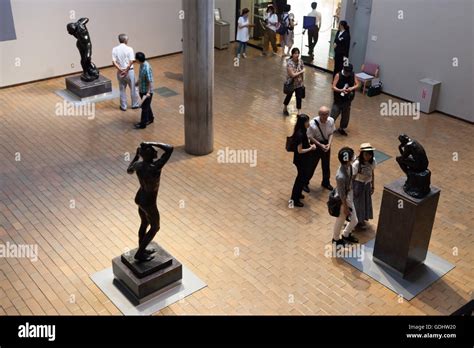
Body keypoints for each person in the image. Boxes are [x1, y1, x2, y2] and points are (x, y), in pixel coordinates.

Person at [127, 142, 174, 261]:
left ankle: (142, 248)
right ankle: (140, 253)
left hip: (140, 198)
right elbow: (169, 149)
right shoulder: (155, 167)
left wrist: (137, 156)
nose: (156, 152)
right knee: (155, 227)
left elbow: (129, 171)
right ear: (150, 155)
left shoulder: (138, 165)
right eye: (153, 150)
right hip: (149, 202)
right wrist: (151, 142)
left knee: (144, 223)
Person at [332, 147, 359, 246]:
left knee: (352, 220)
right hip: (343, 200)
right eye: (352, 156)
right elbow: (342, 194)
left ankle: (346, 234)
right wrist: (346, 207)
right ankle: (336, 239)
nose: (354, 157)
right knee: (341, 219)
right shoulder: (340, 176)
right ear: (347, 159)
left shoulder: (349, 167)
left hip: (349, 196)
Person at [305, 106, 335, 193]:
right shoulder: (312, 124)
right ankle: (305, 183)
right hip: (316, 145)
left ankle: (325, 182)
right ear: (319, 114)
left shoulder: (331, 121)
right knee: (311, 165)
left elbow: (331, 133)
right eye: (323, 114)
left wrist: (329, 144)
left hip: (326, 144)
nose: (325, 116)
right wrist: (320, 145)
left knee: (326, 165)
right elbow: (310, 136)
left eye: (326, 114)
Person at [290, 115, 317, 207]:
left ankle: (298, 194)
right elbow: (300, 150)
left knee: (302, 178)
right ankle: (294, 199)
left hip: (303, 160)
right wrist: (311, 148)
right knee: (300, 179)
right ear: (303, 123)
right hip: (301, 160)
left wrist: (309, 145)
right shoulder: (300, 134)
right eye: (307, 122)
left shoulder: (303, 131)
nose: (309, 123)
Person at [112, 34, 140, 111]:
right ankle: (135, 104)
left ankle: (123, 106)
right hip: (129, 72)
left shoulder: (114, 49)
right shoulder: (129, 49)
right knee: (133, 88)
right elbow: (131, 61)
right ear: (125, 40)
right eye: (127, 39)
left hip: (120, 72)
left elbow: (114, 62)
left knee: (122, 89)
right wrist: (126, 70)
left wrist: (121, 70)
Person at [352, 143, 376, 230]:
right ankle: (356, 223)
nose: (368, 156)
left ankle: (361, 220)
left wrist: (373, 186)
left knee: (365, 203)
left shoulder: (372, 161)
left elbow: (372, 173)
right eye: (366, 154)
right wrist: (351, 188)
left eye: (370, 154)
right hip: (358, 186)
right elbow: (352, 177)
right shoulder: (356, 164)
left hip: (367, 186)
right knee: (357, 204)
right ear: (362, 154)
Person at [331, 63, 359, 136]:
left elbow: (357, 84)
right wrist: (340, 90)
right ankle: (328, 128)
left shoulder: (353, 75)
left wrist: (351, 88)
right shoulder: (338, 75)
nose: (347, 74)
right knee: (334, 114)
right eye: (346, 72)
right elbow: (333, 87)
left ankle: (342, 128)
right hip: (338, 99)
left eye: (349, 72)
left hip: (347, 99)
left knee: (346, 116)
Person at [134, 52, 154, 129]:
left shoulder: (147, 67)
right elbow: (141, 76)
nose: (135, 60)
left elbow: (150, 81)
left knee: (144, 108)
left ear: (139, 59)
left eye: (136, 58)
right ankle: (151, 118)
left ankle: (143, 124)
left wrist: (148, 92)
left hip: (147, 91)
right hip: (142, 89)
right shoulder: (141, 65)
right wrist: (137, 82)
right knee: (146, 105)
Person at [283, 48, 305, 116]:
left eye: (298, 53)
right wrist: (301, 71)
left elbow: (302, 73)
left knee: (299, 97)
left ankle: (299, 112)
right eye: (295, 53)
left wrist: (302, 82)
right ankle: (285, 108)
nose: (297, 55)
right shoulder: (289, 63)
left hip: (299, 83)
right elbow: (292, 75)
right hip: (291, 83)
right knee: (289, 96)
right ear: (292, 54)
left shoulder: (300, 61)